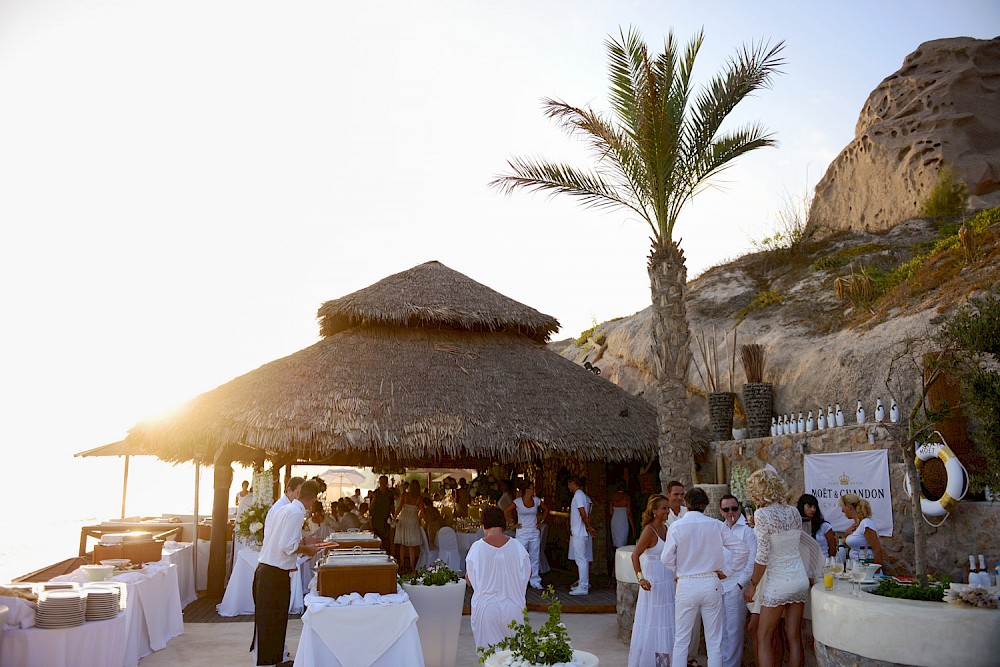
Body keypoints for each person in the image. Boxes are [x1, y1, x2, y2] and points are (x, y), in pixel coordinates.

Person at [661, 487, 748, 667]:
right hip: (711, 582)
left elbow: (666, 558)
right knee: (714, 642)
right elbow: (742, 550)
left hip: (686, 583)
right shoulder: (716, 525)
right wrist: (728, 571)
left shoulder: (676, 526)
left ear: (686, 503)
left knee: (681, 639)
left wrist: (678, 570)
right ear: (706, 505)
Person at [253, 479, 326, 667]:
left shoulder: (285, 509)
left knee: (275, 623)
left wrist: (304, 542)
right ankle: (271, 661)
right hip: (273, 575)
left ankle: (276, 660)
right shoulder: (294, 513)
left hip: (269, 571)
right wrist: (307, 550)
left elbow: (279, 541)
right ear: (313, 499)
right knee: (271, 623)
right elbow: (287, 547)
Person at [742, 469, 810, 667]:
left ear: (758, 491)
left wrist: (753, 585)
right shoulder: (793, 511)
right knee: (794, 637)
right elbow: (798, 543)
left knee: (763, 637)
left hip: (778, 582)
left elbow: (762, 555)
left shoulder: (762, 514)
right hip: (799, 578)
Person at [465, 505, 531, 650]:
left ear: (483, 525)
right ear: (503, 524)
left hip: (486, 609)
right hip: (513, 606)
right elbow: (528, 573)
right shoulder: (517, 546)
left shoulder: (477, 548)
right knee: (515, 658)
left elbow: (469, 580)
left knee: (490, 658)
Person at [627, 494, 675, 667]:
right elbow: (635, 555)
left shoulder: (667, 528)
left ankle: (666, 662)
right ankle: (655, 663)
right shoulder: (649, 530)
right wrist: (641, 579)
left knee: (667, 622)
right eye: (664, 508)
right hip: (654, 584)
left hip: (668, 582)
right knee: (655, 623)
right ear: (654, 511)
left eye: (668, 508)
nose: (667, 511)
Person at [719, 494, 756, 667]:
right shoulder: (720, 528)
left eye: (734, 508)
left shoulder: (747, 531)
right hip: (720, 586)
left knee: (734, 632)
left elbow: (751, 560)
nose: (730, 512)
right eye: (726, 509)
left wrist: (740, 584)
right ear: (721, 511)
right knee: (721, 631)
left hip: (736, 586)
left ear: (739, 508)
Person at [504, 480, 549, 590]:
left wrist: (541, 522)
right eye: (531, 488)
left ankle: (535, 579)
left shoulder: (536, 500)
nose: (533, 490)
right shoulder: (518, 502)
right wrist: (512, 524)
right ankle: (519, 579)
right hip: (522, 532)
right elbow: (506, 510)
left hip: (534, 531)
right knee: (521, 556)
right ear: (526, 490)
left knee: (535, 556)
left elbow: (546, 509)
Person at [567, 476, 596, 595]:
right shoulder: (582, 495)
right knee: (581, 559)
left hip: (579, 532)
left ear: (574, 483)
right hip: (579, 531)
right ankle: (582, 583)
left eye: (569, 484)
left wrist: (588, 526)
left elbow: (583, 513)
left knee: (581, 560)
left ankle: (583, 586)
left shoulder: (578, 495)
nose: (568, 487)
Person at [840, 492, 884, 568]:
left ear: (848, 507)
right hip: (855, 568)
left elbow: (877, 550)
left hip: (865, 570)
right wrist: (846, 534)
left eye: (842, 507)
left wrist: (876, 571)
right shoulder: (856, 526)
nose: (842, 510)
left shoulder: (866, 523)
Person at [393, 480, 425, 574]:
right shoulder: (419, 498)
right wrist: (421, 519)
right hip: (413, 520)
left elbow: (399, 508)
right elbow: (422, 512)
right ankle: (412, 566)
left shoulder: (404, 495)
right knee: (411, 546)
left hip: (403, 519)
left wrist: (394, 518)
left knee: (402, 544)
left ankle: (402, 565)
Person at [369, 475, 394, 551]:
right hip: (376, 519)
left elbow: (392, 506)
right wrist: (374, 498)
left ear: (386, 483)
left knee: (386, 540)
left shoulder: (390, 493)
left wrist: (394, 517)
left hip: (386, 519)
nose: (382, 484)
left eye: (384, 482)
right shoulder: (375, 493)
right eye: (381, 482)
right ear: (379, 482)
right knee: (376, 540)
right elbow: (370, 508)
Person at [609, 482, 635, 548]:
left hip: (615, 520)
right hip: (623, 521)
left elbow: (611, 512)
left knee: (616, 541)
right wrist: (633, 527)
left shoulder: (613, 497)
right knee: (622, 541)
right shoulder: (626, 497)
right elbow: (629, 513)